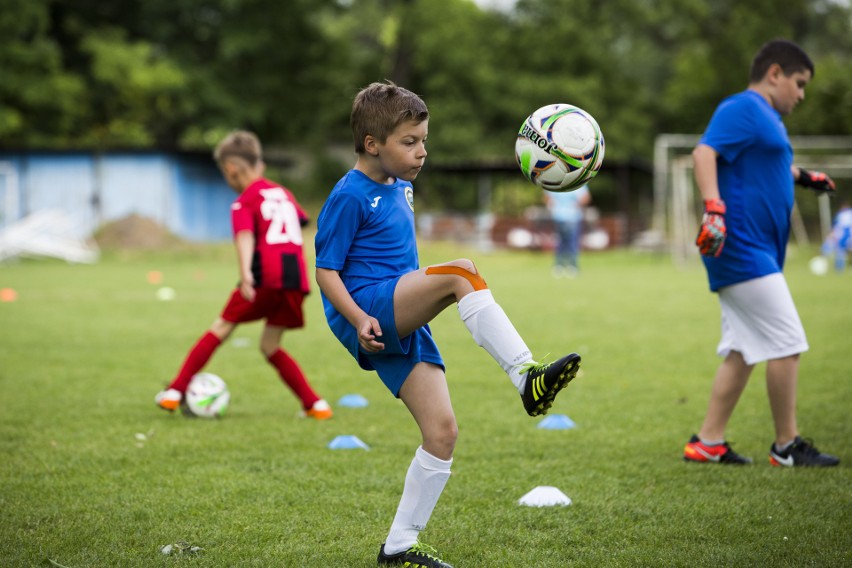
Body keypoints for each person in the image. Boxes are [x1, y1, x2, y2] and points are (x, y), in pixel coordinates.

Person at [315, 81, 581, 567]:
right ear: (372, 144)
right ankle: (526, 375)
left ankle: (398, 545)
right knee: (462, 271)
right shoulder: (350, 195)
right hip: (369, 307)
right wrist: (357, 319)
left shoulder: (403, 187)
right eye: (409, 142)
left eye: (423, 140)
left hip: (399, 311)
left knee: (442, 432)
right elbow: (325, 270)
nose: (422, 152)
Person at [684, 39, 838, 467]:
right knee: (786, 342)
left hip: (759, 249)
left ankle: (708, 442)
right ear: (775, 74)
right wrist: (713, 208)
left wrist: (804, 176)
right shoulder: (743, 107)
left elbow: (760, 165)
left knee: (744, 348)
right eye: (799, 83)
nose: (802, 94)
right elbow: (704, 153)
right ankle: (786, 445)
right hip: (739, 246)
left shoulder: (766, 119)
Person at [155, 130, 332, 420]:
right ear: (259, 164)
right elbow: (300, 222)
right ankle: (316, 405)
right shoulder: (283, 193)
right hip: (295, 278)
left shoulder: (244, 201)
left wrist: (246, 274)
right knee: (270, 345)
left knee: (221, 328)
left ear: (231, 169)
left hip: (265, 275)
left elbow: (245, 237)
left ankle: (174, 392)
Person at [544, 185, 591, 277]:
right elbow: (547, 197)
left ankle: (573, 265)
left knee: (572, 243)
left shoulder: (578, 182)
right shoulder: (555, 181)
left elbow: (586, 198)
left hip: (573, 218)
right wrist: (551, 204)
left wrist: (577, 204)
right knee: (559, 242)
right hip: (558, 217)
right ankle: (559, 265)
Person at [822, 201, 852, 272]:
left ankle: (839, 269)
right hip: (846, 236)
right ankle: (839, 268)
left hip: (842, 236)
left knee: (839, 251)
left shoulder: (840, 214)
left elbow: (835, 226)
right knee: (841, 252)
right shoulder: (847, 213)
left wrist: (831, 234)